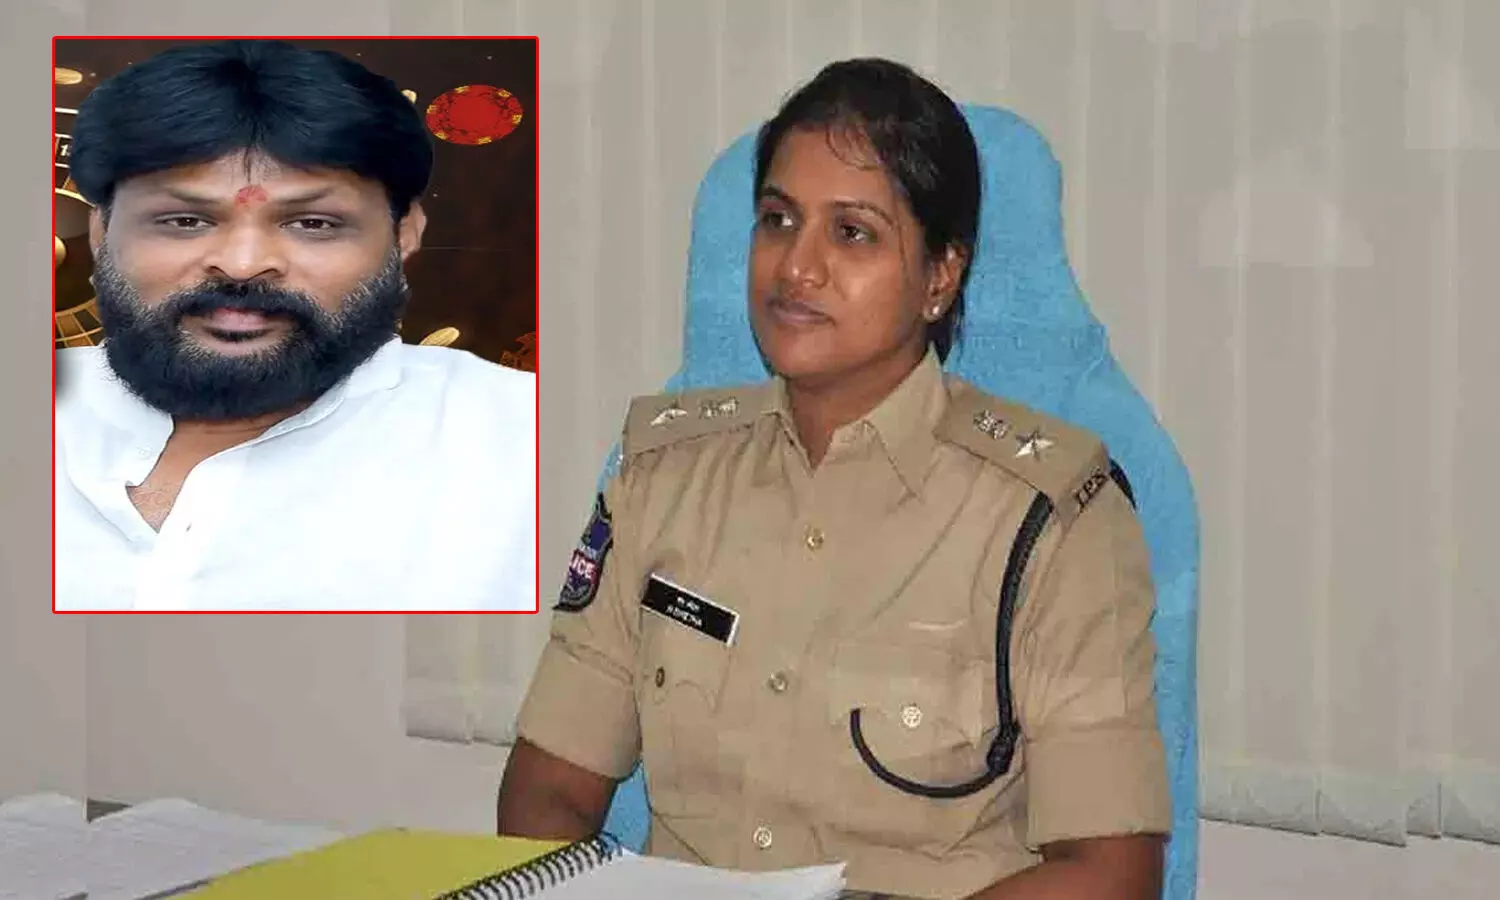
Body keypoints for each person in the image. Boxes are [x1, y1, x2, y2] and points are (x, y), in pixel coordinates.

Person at [498, 59, 1169, 900]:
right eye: (778, 220)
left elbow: (1111, 873)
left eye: (852, 233)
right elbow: (547, 789)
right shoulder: (663, 479)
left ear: (940, 276)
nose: (796, 268)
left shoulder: (1053, 523)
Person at [54, 40, 536, 612]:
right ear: (101, 232)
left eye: (313, 223)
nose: (242, 264)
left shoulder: (529, 446)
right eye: (184, 220)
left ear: (405, 233)